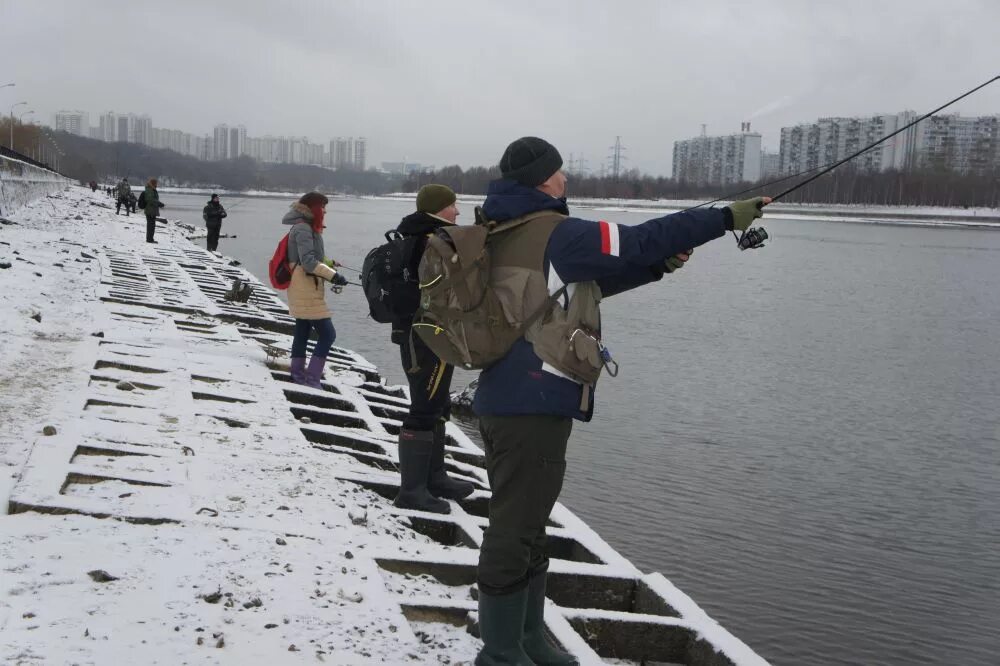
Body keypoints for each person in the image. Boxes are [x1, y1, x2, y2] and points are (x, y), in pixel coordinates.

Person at [470, 136, 770, 665]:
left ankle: (527, 641)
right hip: (531, 402)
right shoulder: (556, 231)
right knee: (515, 528)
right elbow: (639, 238)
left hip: (510, 395)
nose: (566, 179)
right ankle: (499, 654)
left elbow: (577, 289)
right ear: (544, 179)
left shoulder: (506, 228)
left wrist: (656, 267)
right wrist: (725, 217)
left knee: (528, 523)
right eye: (560, 172)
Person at [390, 184, 475, 515]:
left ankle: (434, 477)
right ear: (438, 208)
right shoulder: (431, 241)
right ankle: (412, 491)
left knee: (438, 404)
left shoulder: (420, 235)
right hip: (427, 336)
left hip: (429, 333)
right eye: (453, 206)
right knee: (424, 408)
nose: (457, 212)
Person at [283, 192, 348, 388]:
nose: (325, 211)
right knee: (328, 334)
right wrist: (333, 275)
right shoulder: (303, 228)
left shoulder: (307, 226)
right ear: (313, 208)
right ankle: (312, 379)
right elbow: (309, 262)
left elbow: (312, 257)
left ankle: (297, 374)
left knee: (302, 330)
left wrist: (329, 263)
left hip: (306, 286)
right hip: (305, 288)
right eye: (323, 207)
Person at [141, 178, 165, 243]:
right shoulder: (150, 190)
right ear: (153, 183)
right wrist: (159, 203)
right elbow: (151, 200)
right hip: (150, 210)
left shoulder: (152, 189)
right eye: (156, 183)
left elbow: (153, 199)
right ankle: (149, 239)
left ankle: (150, 239)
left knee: (152, 225)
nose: (157, 184)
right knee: (150, 225)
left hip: (152, 210)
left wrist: (158, 203)